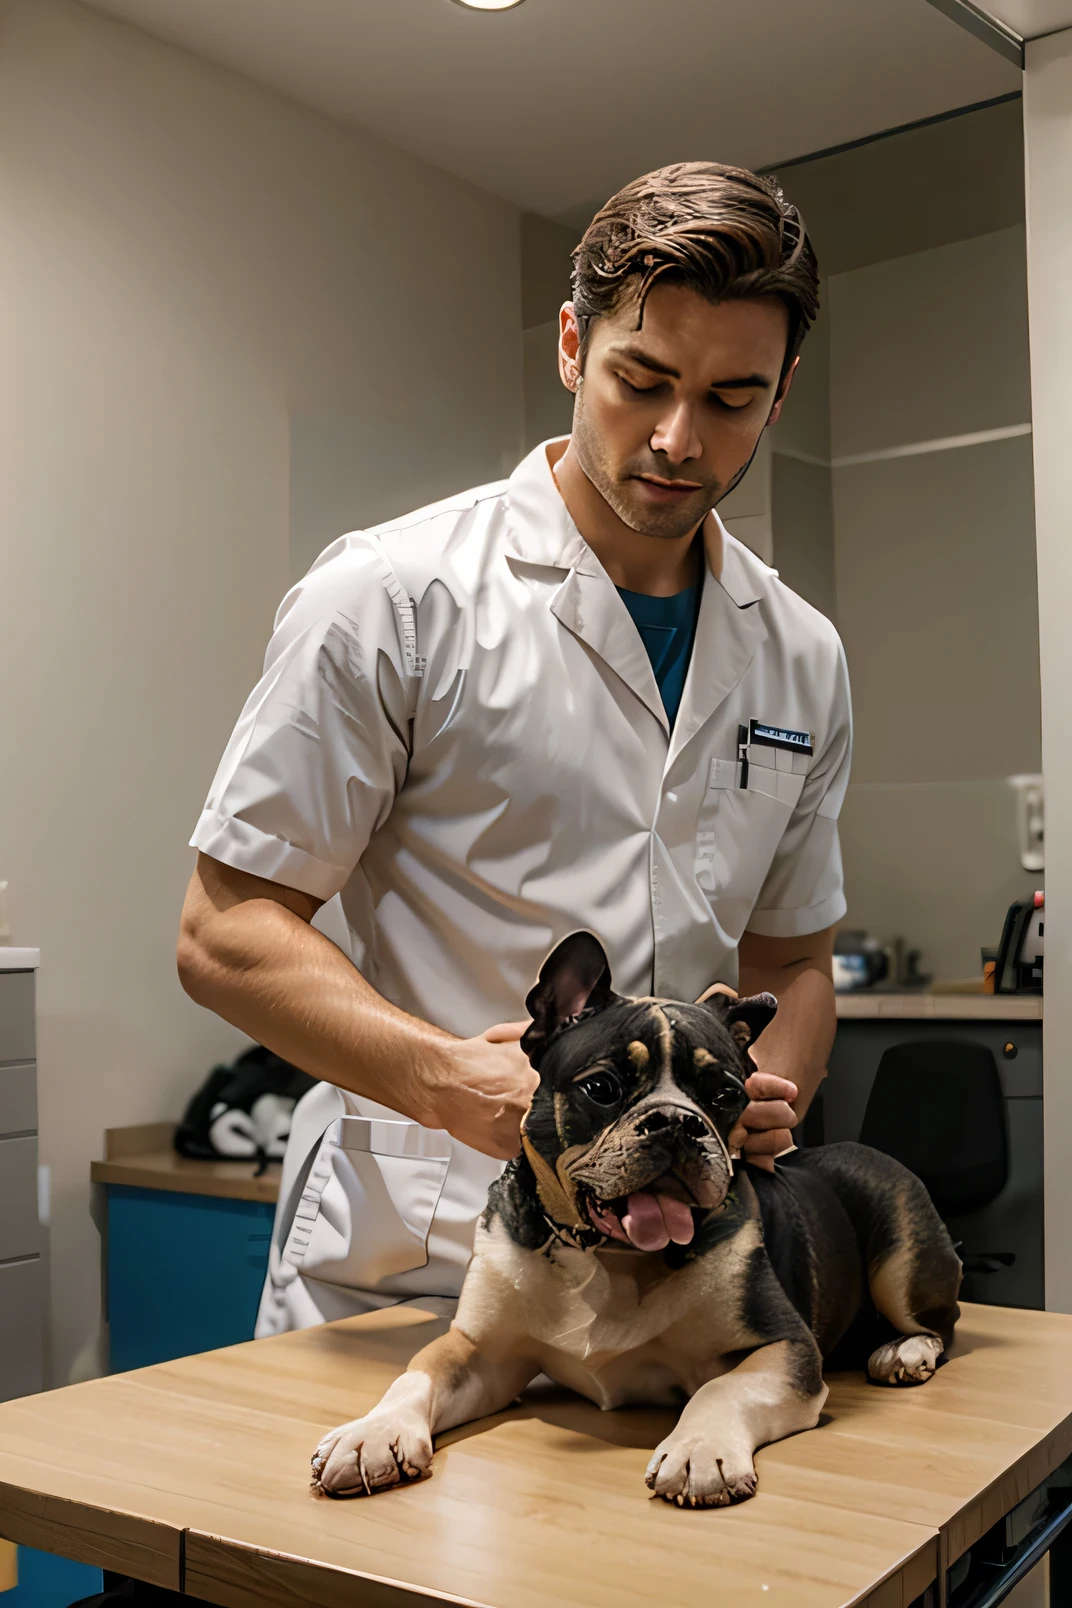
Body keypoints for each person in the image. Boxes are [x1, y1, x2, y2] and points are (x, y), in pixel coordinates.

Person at [177, 161, 851, 1336]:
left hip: (682, 1278)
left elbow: (794, 960)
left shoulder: (799, 651)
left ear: (781, 391)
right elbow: (225, 933)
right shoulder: (391, 596)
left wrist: (749, 1100)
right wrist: (445, 1076)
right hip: (421, 1263)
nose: (678, 439)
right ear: (569, 348)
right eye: (639, 380)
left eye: (732, 398)